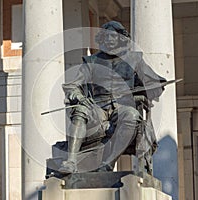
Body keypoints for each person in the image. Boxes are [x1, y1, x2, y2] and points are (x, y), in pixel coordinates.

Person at [59, 21, 166, 174]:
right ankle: (71, 161)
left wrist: (148, 91)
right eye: (106, 36)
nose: (109, 39)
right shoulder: (91, 61)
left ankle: (108, 163)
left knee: (132, 116)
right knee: (81, 111)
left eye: (113, 36)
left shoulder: (135, 59)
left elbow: (154, 83)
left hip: (122, 107)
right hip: (97, 108)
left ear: (121, 38)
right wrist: (78, 96)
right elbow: (72, 86)